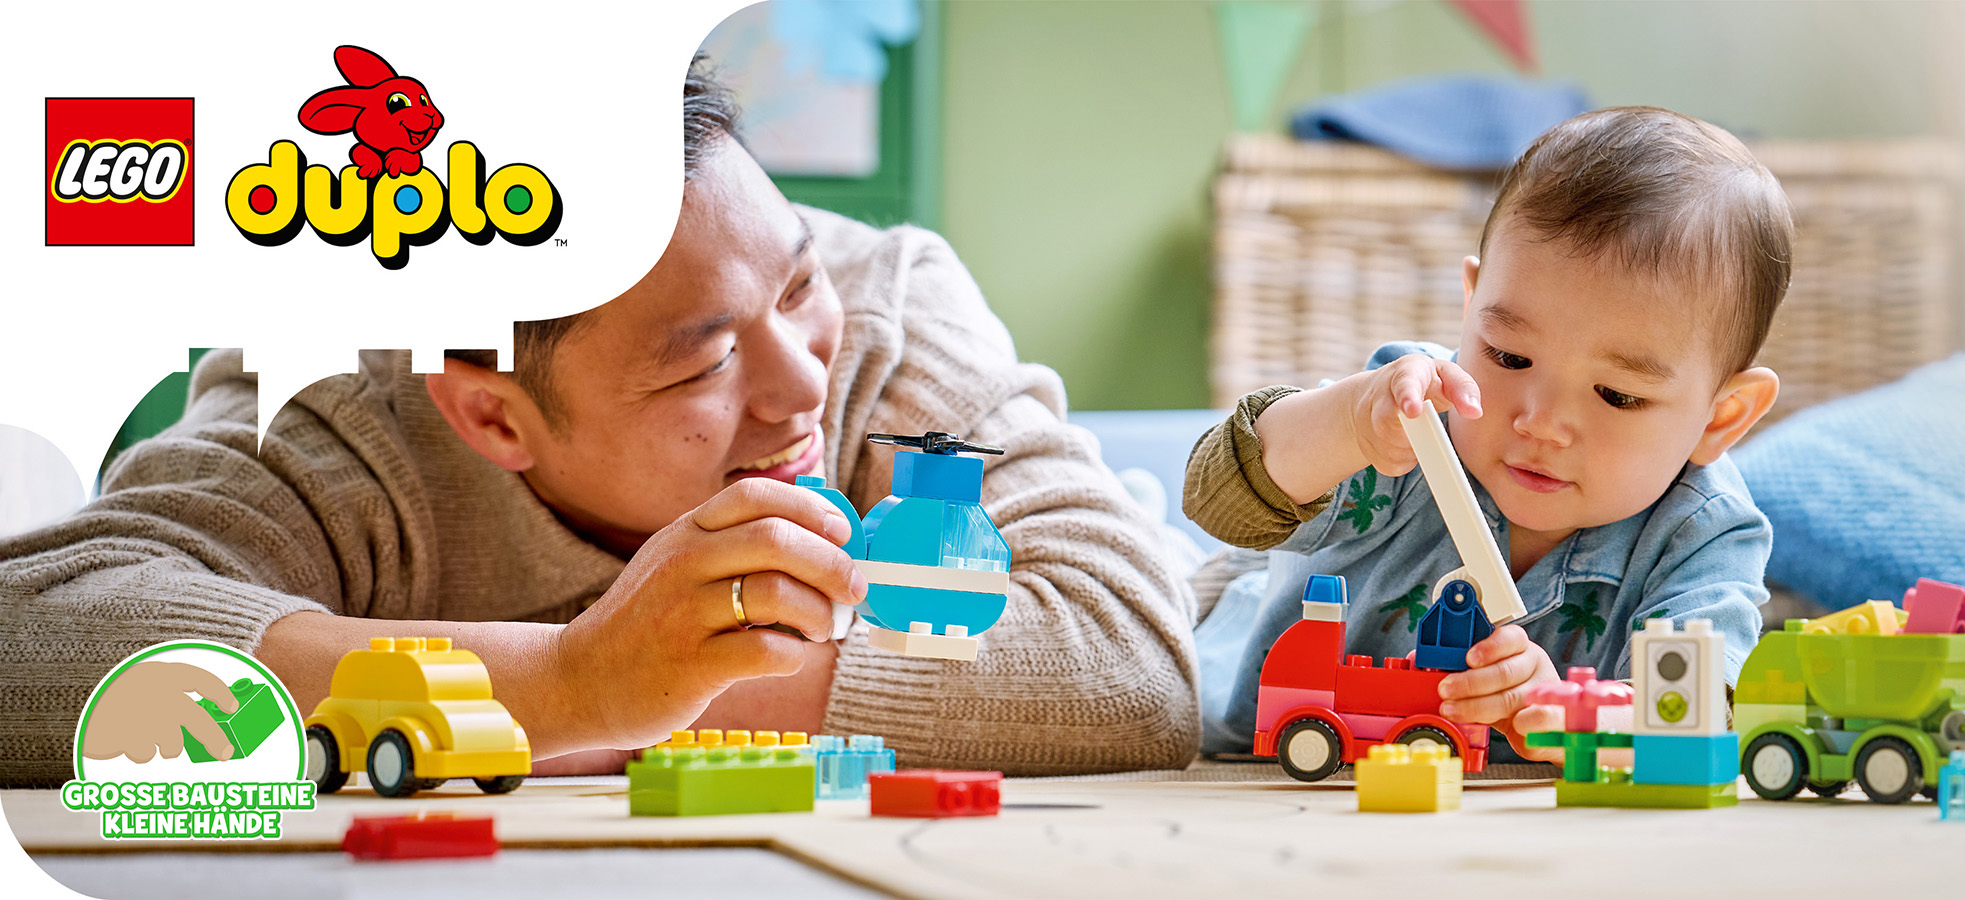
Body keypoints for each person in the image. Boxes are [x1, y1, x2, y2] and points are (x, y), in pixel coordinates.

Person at [0, 63, 1200, 784]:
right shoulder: (331, 412)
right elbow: (27, 645)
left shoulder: (885, 310)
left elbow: (1132, 668)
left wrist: (622, 693)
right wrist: (571, 683)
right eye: (706, 364)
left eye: (792, 287)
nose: (801, 388)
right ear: (490, 416)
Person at [1185, 106, 1788, 760]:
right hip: (1281, 746)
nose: (1540, 423)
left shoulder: (1705, 536)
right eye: (1508, 356)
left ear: (1721, 416)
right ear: (1471, 307)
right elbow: (1214, 498)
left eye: (1618, 395)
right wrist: (1347, 424)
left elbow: (1697, 727)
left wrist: (1565, 714)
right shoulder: (1407, 413)